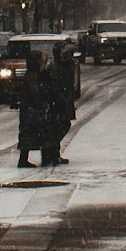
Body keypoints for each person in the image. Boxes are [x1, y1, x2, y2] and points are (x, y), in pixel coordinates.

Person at [43, 38, 77, 166]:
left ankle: (54, 153)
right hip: (57, 103)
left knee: (62, 126)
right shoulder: (55, 67)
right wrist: (62, 99)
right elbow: (54, 86)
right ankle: (52, 153)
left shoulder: (67, 65)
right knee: (57, 127)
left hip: (63, 101)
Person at [16, 49, 52, 167]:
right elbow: (36, 93)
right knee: (38, 133)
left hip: (30, 111)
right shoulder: (33, 76)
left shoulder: (35, 74)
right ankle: (44, 158)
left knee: (30, 134)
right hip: (33, 111)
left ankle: (26, 159)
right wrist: (42, 100)